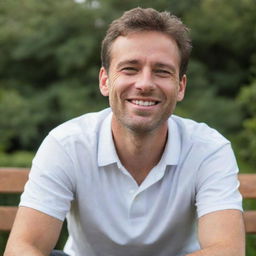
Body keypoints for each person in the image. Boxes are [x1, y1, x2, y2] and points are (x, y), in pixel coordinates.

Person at [4, 7, 245, 256]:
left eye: (162, 71)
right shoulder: (66, 144)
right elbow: (24, 247)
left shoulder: (209, 149)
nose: (144, 84)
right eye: (130, 68)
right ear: (105, 81)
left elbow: (227, 250)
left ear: (180, 86)